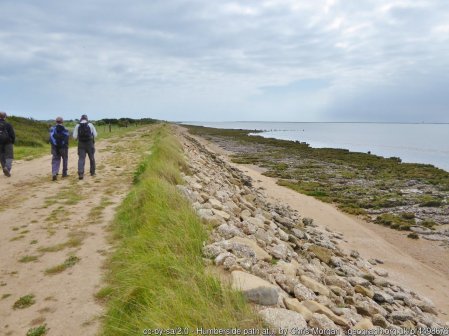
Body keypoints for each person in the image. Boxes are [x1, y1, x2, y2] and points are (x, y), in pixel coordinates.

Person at [73, 114, 97, 180]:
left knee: (81, 159)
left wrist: (78, 137)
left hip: (81, 144)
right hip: (90, 143)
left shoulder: (77, 125)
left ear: (81, 118)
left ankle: (81, 173)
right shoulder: (90, 125)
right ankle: (92, 172)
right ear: (87, 119)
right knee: (91, 158)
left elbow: (74, 136)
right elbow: (95, 134)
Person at [49, 116, 70, 181]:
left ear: (56, 122)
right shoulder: (65, 129)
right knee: (65, 159)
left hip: (55, 148)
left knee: (55, 160)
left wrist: (55, 144)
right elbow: (67, 139)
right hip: (63, 148)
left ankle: (54, 173)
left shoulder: (52, 129)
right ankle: (64, 173)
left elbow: (51, 138)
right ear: (62, 122)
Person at [0, 111, 15, 177]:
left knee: (2, 156)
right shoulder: (8, 124)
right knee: (9, 156)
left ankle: (4, 168)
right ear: (5, 117)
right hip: (8, 142)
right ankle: (7, 168)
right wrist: (12, 142)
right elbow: (12, 134)